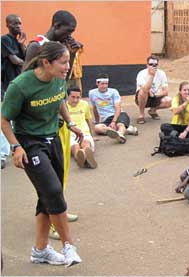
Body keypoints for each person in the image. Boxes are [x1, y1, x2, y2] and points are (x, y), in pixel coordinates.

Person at [1, 41, 82, 266]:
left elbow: (60, 101)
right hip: (30, 144)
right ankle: (69, 246)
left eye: (68, 61)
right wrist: (16, 147)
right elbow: (4, 119)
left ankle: (40, 250)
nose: (68, 66)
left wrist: (71, 123)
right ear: (46, 62)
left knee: (45, 195)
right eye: (63, 62)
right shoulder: (20, 86)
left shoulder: (58, 79)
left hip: (53, 138)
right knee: (54, 191)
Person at [89, 74, 137, 144]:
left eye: (106, 84)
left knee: (120, 125)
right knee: (97, 128)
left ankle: (120, 135)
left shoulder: (114, 92)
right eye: (102, 84)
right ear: (97, 83)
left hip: (119, 114)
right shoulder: (92, 93)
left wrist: (113, 121)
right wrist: (97, 121)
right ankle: (127, 130)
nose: (105, 86)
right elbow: (95, 108)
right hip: (106, 119)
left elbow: (118, 108)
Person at [66, 87, 97, 169]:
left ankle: (85, 158)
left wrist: (92, 134)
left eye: (78, 97)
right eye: (73, 97)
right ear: (67, 96)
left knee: (86, 144)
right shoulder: (63, 107)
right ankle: (82, 158)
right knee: (75, 147)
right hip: (70, 134)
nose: (75, 100)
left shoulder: (85, 104)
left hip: (84, 132)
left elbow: (88, 119)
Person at [135, 55, 171, 124]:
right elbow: (145, 89)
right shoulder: (141, 74)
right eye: (151, 64)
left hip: (154, 96)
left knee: (169, 100)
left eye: (155, 64)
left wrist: (155, 95)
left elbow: (166, 91)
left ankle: (153, 111)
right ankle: (141, 114)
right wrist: (152, 75)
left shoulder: (162, 73)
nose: (153, 66)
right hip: (142, 98)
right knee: (143, 92)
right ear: (147, 65)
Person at [2, 14, 26, 96]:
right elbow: (14, 60)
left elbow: (26, 56)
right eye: (15, 23)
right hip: (8, 80)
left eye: (20, 23)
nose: (18, 26)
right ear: (8, 25)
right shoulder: (4, 39)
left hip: (19, 79)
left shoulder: (19, 41)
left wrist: (22, 44)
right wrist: (27, 64)